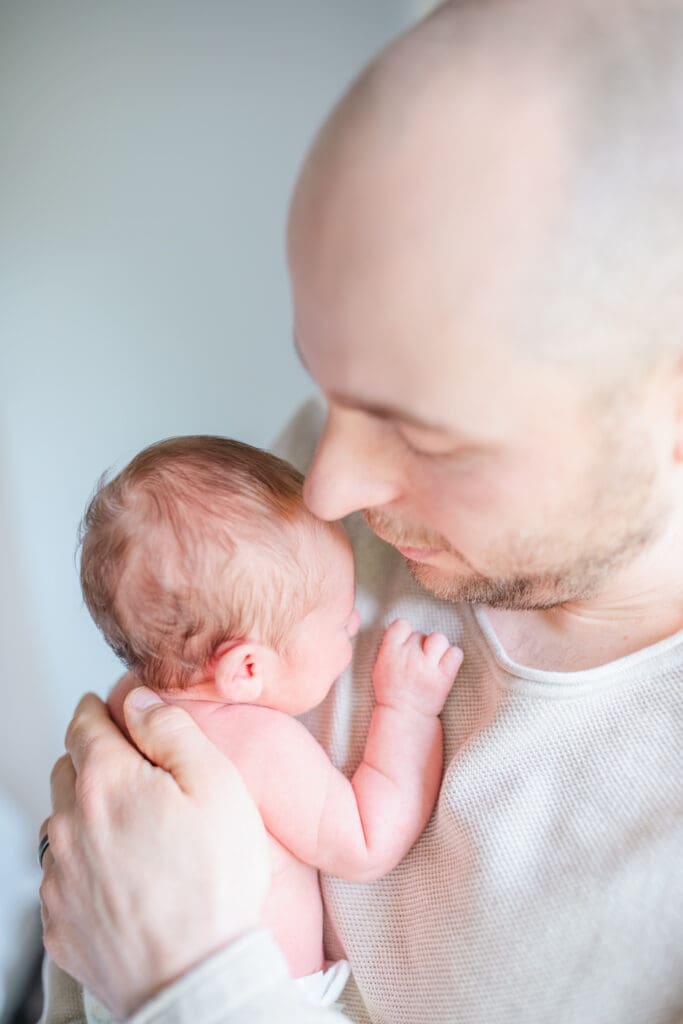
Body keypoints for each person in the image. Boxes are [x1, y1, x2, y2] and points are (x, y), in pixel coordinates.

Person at [40, 1, 683, 1022]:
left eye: (421, 433)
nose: (327, 488)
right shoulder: (314, 506)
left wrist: (188, 987)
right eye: (327, 387)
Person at [74, 434, 461, 1015]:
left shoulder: (128, 700)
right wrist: (406, 711)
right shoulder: (252, 743)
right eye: (338, 622)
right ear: (246, 668)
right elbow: (364, 841)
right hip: (255, 996)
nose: (357, 621)